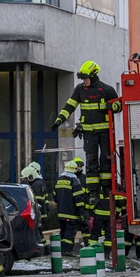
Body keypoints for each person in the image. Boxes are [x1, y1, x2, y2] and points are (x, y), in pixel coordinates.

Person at [51, 61, 121, 204]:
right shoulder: (80, 90)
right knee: (91, 161)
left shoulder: (107, 90)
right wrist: (59, 120)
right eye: (82, 78)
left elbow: (119, 106)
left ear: (94, 76)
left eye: (85, 78)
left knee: (106, 159)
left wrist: (112, 105)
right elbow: (70, 105)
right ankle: (93, 191)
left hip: (105, 132)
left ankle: (107, 188)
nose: (84, 81)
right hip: (89, 134)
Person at [54, 160, 85, 257]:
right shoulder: (74, 180)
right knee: (70, 232)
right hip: (71, 213)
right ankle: (66, 250)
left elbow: (55, 197)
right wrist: (81, 211)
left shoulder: (59, 179)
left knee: (63, 232)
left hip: (61, 212)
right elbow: (78, 198)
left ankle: (62, 249)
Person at [21, 165, 48, 250]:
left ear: (31, 176)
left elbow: (37, 201)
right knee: (39, 233)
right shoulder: (38, 183)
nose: (25, 180)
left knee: (38, 232)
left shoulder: (36, 185)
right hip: (41, 212)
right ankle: (45, 248)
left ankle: (45, 249)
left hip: (39, 213)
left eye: (26, 178)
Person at [74, 157, 91, 245]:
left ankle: (87, 244)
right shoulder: (72, 178)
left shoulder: (85, 178)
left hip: (84, 209)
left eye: (80, 166)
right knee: (72, 228)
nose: (79, 168)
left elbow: (88, 194)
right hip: (73, 208)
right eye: (77, 166)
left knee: (85, 227)